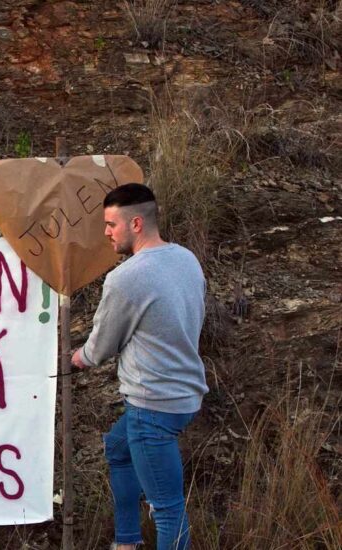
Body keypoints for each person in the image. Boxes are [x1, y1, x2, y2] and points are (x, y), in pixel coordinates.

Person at [71, 183, 208, 550]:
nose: (105, 232)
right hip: (186, 395)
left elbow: (100, 348)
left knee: (167, 510)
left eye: (110, 224)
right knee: (118, 449)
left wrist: (78, 358)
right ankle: (127, 541)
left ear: (135, 224)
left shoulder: (127, 278)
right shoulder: (186, 258)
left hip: (153, 406)